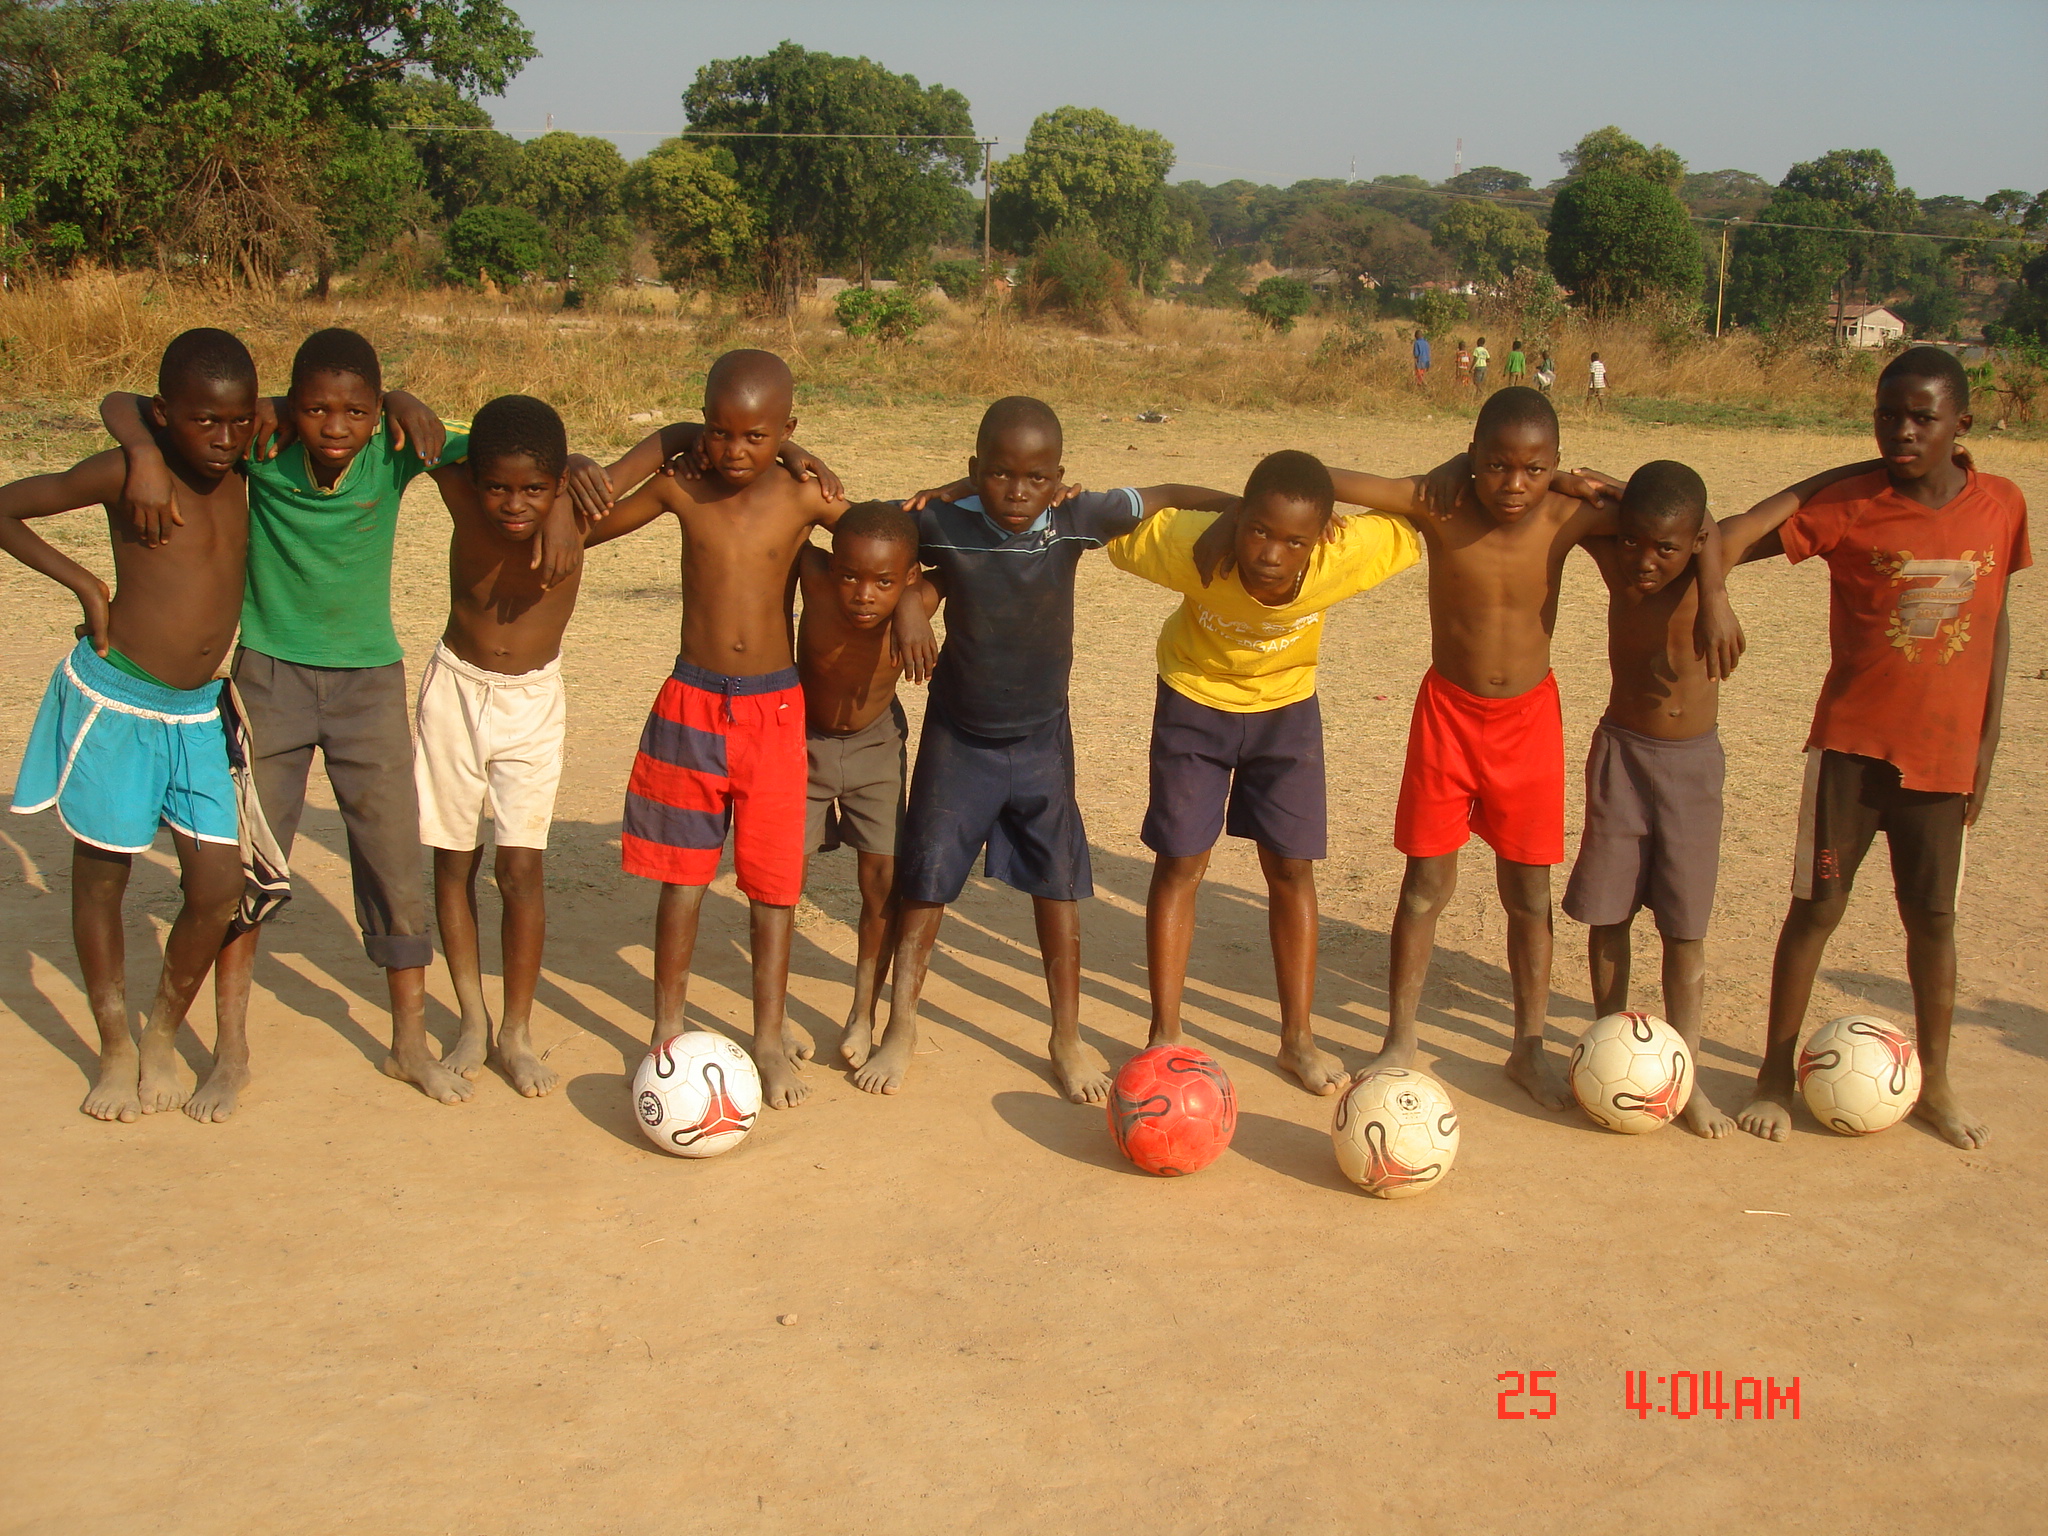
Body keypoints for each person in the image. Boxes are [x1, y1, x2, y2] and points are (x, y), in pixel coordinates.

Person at [101, 328, 583, 1117]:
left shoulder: (396, 447)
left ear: (377, 410)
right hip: (269, 676)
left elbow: (518, 456)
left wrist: (559, 501)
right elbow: (123, 404)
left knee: (394, 861)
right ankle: (231, 1052)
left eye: (355, 410)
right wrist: (145, 454)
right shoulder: (258, 443)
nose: (334, 426)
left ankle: (408, 1044)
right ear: (289, 405)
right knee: (251, 866)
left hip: (368, 683)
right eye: (316, 409)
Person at [1327, 388, 1736, 1107]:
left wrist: (1712, 587)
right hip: (1447, 717)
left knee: (1529, 895)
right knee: (1424, 887)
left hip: (1528, 725)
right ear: (1472, 456)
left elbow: (1689, 523)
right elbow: (1325, 477)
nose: (1513, 484)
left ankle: (1529, 1046)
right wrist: (1448, 469)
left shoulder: (1568, 513)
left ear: (1556, 465)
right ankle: (1400, 1038)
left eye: (1534, 469)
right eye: (1495, 465)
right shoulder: (1437, 502)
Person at [870, 397, 1236, 1101]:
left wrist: (1241, 508)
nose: (1017, 491)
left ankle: (1066, 1035)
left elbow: (1167, 493)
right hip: (959, 738)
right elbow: (862, 527)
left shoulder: (1076, 518)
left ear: (1060, 478)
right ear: (974, 469)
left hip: (1041, 740)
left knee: (1058, 886)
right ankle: (901, 1025)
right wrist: (911, 595)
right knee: (925, 883)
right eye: (998, 474)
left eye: (1036, 477)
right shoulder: (940, 521)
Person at [1713, 347, 2027, 1151]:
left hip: (1944, 759)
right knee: (1816, 910)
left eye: (1923, 417)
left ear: (1963, 423)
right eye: (1888, 415)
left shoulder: (2002, 504)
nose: (1903, 431)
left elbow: (1995, 623)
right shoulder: (1852, 504)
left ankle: (1938, 1082)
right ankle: (1774, 1077)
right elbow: (1724, 542)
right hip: (1850, 752)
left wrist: (1987, 746)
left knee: (1933, 921)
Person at [1108, 450, 1421, 1094]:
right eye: (1257, 530)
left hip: (1287, 712)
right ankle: (1164, 1035)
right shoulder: (1192, 545)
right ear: (1240, 519)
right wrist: (1219, 512)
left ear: (1323, 535)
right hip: (1194, 702)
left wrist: (1335, 511)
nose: (1272, 554)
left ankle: (1297, 1039)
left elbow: (1421, 515)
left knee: (1291, 868)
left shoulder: (1343, 554)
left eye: (1294, 541)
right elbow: (1115, 520)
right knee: (1181, 862)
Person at [4, 329, 258, 1123]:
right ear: (165, 415)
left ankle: (161, 1033)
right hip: (118, 702)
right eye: (203, 422)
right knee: (103, 875)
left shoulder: (248, 463)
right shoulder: (125, 472)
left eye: (238, 421)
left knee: (217, 887)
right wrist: (87, 586)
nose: (223, 438)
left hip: (197, 713)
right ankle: (114, 1044)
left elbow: (323, 403)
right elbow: (6, 509)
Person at [585, 349, 848, 1111]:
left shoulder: (803, 495)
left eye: (757, 436)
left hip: (775, 712)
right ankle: (666, 1027)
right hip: (691, 705)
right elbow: (591, 523)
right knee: (684, 879)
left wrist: (907, 607)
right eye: (719, 432)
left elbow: (880, 541)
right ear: (701, 426)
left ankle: (767, 1038)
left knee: (773, 886)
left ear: (787, 430)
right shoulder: (681, 483)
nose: (735, 451)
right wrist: (666, 441)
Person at [415, 395, 593, 1099]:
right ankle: (471, 1018)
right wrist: (399, 398)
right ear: (474, 478)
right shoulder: (461, 497)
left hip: (532, 704)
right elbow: (422, 428)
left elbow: (666, 449)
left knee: (521, 869)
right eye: (497, 486)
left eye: (534, 489)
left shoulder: (581, 516)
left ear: (556, 483)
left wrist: (568, 494)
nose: (513, 504)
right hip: (453, 692)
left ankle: (515, 1032)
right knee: (453, 859)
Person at [1561, 460, 1737, 1138]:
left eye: (1665, 545)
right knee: (1608, 916)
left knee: (1684, 931)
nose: (1644, 558)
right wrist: (1607, 486)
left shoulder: (1703, 565)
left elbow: (1733, 521)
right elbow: (1561, 492)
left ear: (1694, 543)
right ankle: (1611, 1051)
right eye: (1632, 538)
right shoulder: (1616, 558)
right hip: (1621, 758)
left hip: (1692, 771)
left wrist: (1715, 593)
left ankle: (1686, 1078)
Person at [796, 501, 939, 1071]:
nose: (863, 595)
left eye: (884, 583)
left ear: (909, 577)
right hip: (802, 741)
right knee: (785, 878)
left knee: (882, 881)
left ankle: (863, 1012)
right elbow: (790, 518)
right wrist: (795, 457)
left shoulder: (921, 599)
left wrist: (910, 605)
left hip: (877, 745)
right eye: (850, 576)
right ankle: (773, 1014)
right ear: (832, 567)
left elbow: (953, 570)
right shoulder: (813, 578)